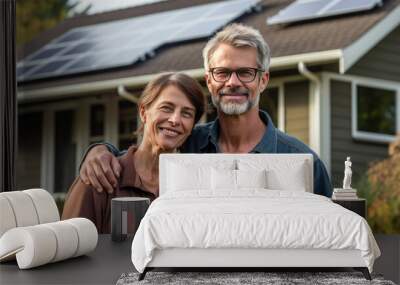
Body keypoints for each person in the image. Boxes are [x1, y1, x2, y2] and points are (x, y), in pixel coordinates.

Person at [79, 23, 332, 197]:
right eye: (222, 72)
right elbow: (138, 159)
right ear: (209, 80)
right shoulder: (185, 145)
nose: (232, 82)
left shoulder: (304, 162)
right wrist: (100, 150)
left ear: (263, 80)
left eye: (245, 72)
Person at [62, 72, 206, 233]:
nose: (175, 120)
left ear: (192, 125)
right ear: (144, 112)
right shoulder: (98, 177)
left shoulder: (192, 189)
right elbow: (70, 248)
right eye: (166, 108)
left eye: (186, 113)